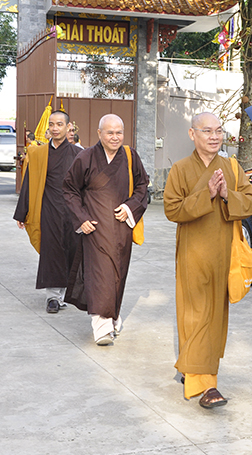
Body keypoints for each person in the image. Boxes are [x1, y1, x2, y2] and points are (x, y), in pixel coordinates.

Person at [163, 112, 252, 408]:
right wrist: (206, 195)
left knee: (214, 319)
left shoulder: (232, 168)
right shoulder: (180, 169)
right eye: (207, 131)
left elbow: (251, 203)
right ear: (192, 134)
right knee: (196, 317)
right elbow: (172, 210)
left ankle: (191, 368)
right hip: (192, 254)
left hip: (223, 256)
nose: (215, 136)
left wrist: (227, 194)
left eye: (219, 131)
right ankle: (206, 386)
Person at [63, 114, 148, 346]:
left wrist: (130, 208)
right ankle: (101, 328)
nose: (115, 137)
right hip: (95, 229)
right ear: (99, 133)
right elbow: (69, 189)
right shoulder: (86, 157)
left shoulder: (130, 157)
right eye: (110, 132)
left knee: (118, 274)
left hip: (122, 228)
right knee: (99, 276)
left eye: (119, 132)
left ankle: (113, 316)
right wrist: (81, 218)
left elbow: (142, 186)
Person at [14, 111, 80, 313]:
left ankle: (64, 295)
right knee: (51, 252)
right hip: (49, 209)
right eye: (51, 124)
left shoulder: (79, 154)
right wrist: (22, 212)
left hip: (72, 211)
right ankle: (52, 297)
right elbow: (29, 182)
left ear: (68, 127)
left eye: (59, 124)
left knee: (71, 251)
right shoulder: (38, 153)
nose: (55, 128)